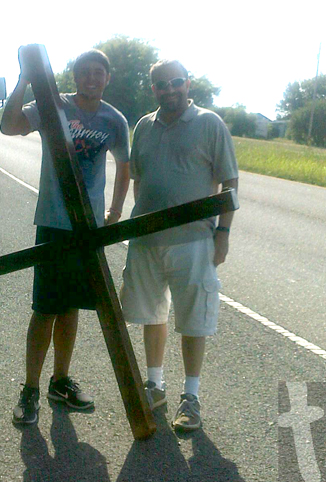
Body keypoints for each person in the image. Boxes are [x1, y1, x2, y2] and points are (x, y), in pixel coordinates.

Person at [0, 48, 130, 425]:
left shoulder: (114, 119)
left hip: (86, 228)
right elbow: (9, 127)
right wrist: (25, 80)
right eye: (85, 72)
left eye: (98, 73)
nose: (92, 78)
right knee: (45, 309)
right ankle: (30, 390)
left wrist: (114, 213)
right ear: (75, 77)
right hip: (54, 223)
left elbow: (124, 167)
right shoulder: (52, 105)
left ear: (108, 77)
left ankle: (60, 381)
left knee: (71, 307)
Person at [120, 59, 239, 431]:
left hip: (194, 241)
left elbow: (230, 182)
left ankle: (191, 397)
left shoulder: (209, 123)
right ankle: (154, 384)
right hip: (147, 241)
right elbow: (138, 179)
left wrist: (223, 234)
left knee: (193, 321)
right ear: (153, 88)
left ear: (187, 84)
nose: (169, 89)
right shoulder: (143, 125)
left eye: (175, 82)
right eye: (160, 84)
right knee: (151, 315)